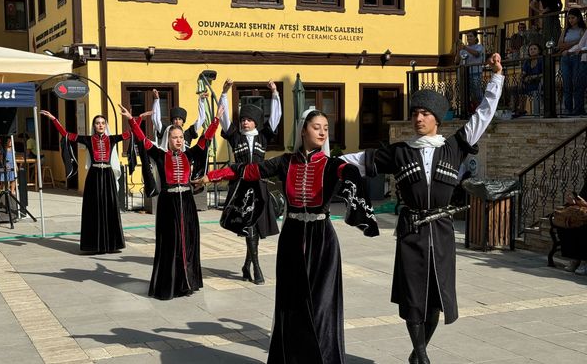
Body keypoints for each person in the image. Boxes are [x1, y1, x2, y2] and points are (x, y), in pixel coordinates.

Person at [341, 54, 503, 364]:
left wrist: (496, 79)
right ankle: (423, 356)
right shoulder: (399, 152)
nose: (418, 118)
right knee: (413, 297)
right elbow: (359, 161)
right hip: (411, 231)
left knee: (435, 298)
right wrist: (325, 163)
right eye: (415, 113)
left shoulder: (454, 146)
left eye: (425, 113)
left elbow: (483, 116)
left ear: (436, 119)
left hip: (441, 231)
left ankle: (418, 353)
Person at [196, 109, 378, 364]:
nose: (323, 132)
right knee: (291, 302)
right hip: (292, 237)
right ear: (303, 130)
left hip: (322, 239)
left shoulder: (331, 164)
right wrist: (211, 175)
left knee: (321, 305)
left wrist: (352, 187)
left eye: (326, 127)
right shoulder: (285, 162)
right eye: (317, 127)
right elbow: (249, 171)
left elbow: (348, 172)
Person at [120, 103, 221, 300]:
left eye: (181, 137)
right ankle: (170, 284)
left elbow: (204, 139)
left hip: (187, 203)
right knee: (170, 243)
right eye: (175, 137)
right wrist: (131, 120)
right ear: (168, 139)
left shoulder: (188, 154)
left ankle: (187, 282)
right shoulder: (160, 155)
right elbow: (142, 138)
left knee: (189, 242)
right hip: (168, 203)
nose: (178, 140)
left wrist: (215, 120)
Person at [217, 79, 282, 285]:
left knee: (253, 227)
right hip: (241, 188)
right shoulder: (235, 137)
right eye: (243, 119)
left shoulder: (263, 137)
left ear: (256, 122)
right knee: (249, 227)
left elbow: (276, 117)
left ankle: (247, 265)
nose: (245, 122)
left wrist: (275, 94)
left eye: (249, 119)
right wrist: (224, 93)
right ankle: (256, 268)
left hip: (259, 187)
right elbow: (224, 118)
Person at [40, 110, 130, 254]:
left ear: (105, 125)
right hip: (94, 175)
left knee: (109, 207)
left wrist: (132, 118)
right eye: (97, 123)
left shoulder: (112, 139)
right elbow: (66, 135)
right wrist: (54, 119)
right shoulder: (88, 140)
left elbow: (129, 134)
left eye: (102, 123)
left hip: (107, 176)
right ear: (94, 126)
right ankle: (93, 245)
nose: (100, 125)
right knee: (93, 209)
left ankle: (111, 244)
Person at [558, 8, 586, 116]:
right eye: (569, 18)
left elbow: (582, 43)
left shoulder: (583, 30)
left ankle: (577, 108)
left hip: (577, 57)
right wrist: (575, 42)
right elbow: (560, 45)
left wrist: (568, 45)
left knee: (576, 82)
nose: (570, 20)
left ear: (578, 18)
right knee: (566, 84)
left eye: (573, 18)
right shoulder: (565, 30)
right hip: (565, 58)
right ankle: (568, 109)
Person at [455, 31, 485, 106]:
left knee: (477, 92)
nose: (469, 38)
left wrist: (465, 47)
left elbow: (477, 54)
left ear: (475, 38)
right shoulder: (463, 49)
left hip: (475, 73)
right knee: (465, 93)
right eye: (467, 36)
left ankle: (482, 108)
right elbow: (457, 61)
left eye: (471, 36)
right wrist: (458, 50)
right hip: (464, 73)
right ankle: (468, 110)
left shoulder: (479, 46)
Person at [514, 44, 544, 117]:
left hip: (539, 83)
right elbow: (524, 72)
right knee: (515, 89)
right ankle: (520, 110)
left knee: (535, 90)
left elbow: (544, 73)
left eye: (534, 49)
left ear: (539, 51)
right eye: (531, 49)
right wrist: (520, 79)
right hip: (528, 83)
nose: (532, 50)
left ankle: (536, 113)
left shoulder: (541, 60)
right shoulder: (527, 61)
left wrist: (532, 77)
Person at [567, 16, 587, 117]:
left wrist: (583, 48)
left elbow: (582, 47)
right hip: (584, 61)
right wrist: (568, 51)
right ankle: (579, 110)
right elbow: (580, 45)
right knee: (579, 86)